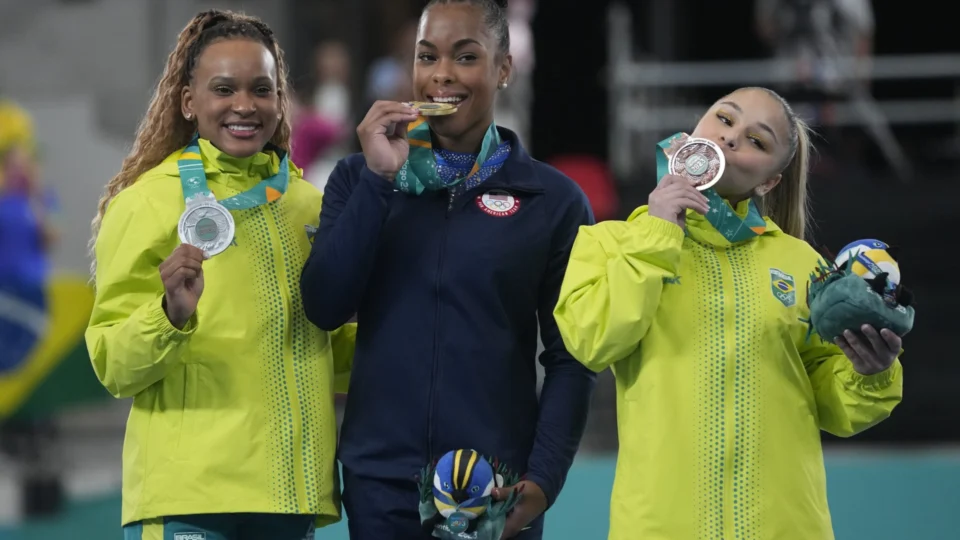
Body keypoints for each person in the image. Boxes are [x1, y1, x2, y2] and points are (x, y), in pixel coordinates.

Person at [300, 0, 596, 538]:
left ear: (503, 68)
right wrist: (378, 180)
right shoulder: (357, 179)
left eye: (465, 57)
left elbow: (571, 358)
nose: (441, 75)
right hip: (383, 485)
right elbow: (324, 306)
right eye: (427, 56)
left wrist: (543, 480)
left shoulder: (552, 202)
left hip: (496, 488)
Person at [553, 87, 904, 539]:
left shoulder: (804, 267)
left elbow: (837, 409)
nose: (732, 137)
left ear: (769, 183)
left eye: (757, 141)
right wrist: (658, 234)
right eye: (724, 119)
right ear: (696, 130)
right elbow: (592, 340)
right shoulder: (613, 243)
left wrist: (871, 373)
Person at [84, 10, 354, 540]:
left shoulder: (309, 206)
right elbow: (112, 363)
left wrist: (414, 334)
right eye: (223, 88)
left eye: (262, 89)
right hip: (191, 496)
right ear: (189, 102)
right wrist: (169, 315)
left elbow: (324, 346)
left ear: (281, 100)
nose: (245, 106)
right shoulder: (146, 204)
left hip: (287, 493)